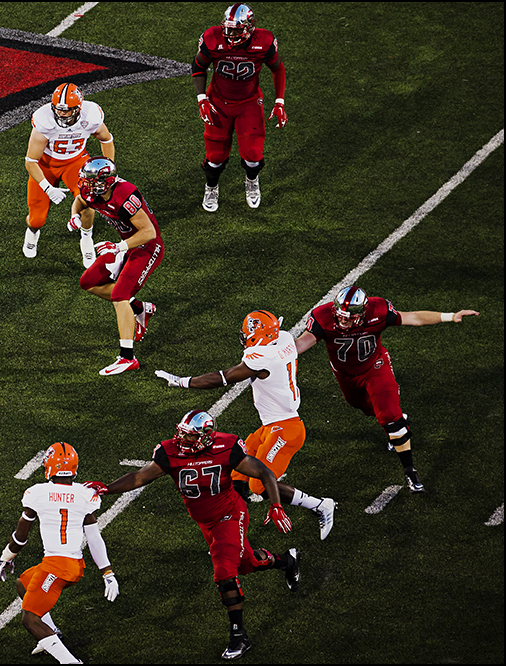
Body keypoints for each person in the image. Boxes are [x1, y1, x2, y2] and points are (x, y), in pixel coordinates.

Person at [85, 410, 299, 661]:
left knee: (224, 571)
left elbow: (264, 472)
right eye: (181, 435)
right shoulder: (170, 451)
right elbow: (140, 476)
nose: (181, 441)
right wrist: (108, 489)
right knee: (245, 563)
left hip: (230, 513)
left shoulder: (226, 446)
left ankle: (239, 635)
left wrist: (276, 505)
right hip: (204, 521)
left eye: (188, 437)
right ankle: (286, 560)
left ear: (206, 437)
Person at [155, 310, 337, 540]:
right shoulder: (283, 338)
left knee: (259, 485)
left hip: (285, 429)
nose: (244, 337)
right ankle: (230, 527)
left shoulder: (261, 356)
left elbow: (223, 377)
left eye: (248, 333)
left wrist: (183, 382)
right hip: (271, 426)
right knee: (236, 472)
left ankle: (320, 505)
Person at [295, 286, 480, 493]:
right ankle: (398, 420)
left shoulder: (378, 310)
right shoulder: (323, 316)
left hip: (376, 366)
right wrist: (271, 351)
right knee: (363, 406)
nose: (342, 321)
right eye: (340, 316)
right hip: (345, 374)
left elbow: (414, 317)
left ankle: (410, 471)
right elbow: (300, 344)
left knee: (390, 416)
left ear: (362, 313)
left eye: (348, 318)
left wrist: (450, 316)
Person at [0, 442, 119, 664]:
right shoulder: (84, 493)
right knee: (23, 583)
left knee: (30, 619)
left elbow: (20, 536)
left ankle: (70, 662)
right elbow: (93, 537)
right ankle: (53, 632)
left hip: (58, 567)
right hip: (73, 565)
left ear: (49, 466)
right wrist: (107, 572)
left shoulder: (38, 493)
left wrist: (7, 556)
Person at [72, 157, 163, 376]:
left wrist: (118, 246)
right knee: (88, 282)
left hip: (146, 247)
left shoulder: (125, 194)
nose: (87, 184)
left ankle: (127, 357)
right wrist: (75, 216)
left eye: (91, 181)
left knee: (119, 295)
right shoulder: (91, 192)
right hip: (124, 246)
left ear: (106, 181)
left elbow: (149, 232)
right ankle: (139, 308)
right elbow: (80, 201)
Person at [192, 3, 287, 212]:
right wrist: (201, 99)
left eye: (235, 30)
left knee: (253, 153)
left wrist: (279, 101)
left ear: (249, 28)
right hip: (217, 101)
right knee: (215, 157)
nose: (229, 34)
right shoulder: (212, 38)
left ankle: (252, 181)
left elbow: (278, 69)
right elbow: (198, 66)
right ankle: (211, 186)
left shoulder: (264, 42)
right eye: (227, 29)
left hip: (249, 102)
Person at [23, 82, 115, 267]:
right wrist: (48, 188)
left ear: (78, 108)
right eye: (58, 109)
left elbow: (107, 139)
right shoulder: (44, 119)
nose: (61, 113)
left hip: (76, 162)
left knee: (89, 200)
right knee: (37, 219)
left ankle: (86, 237)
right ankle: (32, 232)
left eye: (66, 110)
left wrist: (109, 167)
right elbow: (31, 161)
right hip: (45, 165)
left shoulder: (91, 116)